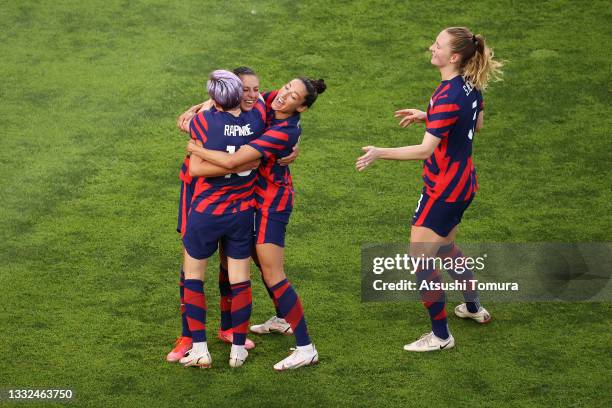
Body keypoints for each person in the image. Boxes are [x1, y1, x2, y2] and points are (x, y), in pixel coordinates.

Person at [356, 27, 502, 351]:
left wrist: (380, 152)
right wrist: (430, 117)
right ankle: (474, 308)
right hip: (464, 183)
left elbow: (424, 151)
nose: (431, 48)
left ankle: (440, 336)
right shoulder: (470, 84)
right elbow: (475, 123)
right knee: (447, 248)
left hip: (443, 189)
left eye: (437, 45)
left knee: (421, 260)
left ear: (453, 57)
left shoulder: (447, 94)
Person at [187, 77, 326, 370]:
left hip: (270, 204)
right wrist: (204, 105)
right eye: (287, 88)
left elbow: (235, 161)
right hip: (251, 200)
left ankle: (306, 347)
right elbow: (249, 97)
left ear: (301, 108)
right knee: (261, 266)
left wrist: (196, 149)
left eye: (292, 96)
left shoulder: (283, 131)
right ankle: (282, 317)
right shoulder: (275, 99)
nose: (283, 95)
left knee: (274, 273)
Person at [166, 67, 263, 362]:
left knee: (204, 264)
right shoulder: (258, 116)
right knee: (224, 268)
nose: (251, 95)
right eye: (244, 89)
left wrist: (199, 117)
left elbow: (197, 160)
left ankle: (223, 331)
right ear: (235, 92)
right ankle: (188, 336)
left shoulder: (204, 122)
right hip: (204, 196)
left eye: (255, 90)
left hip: (208, 202)